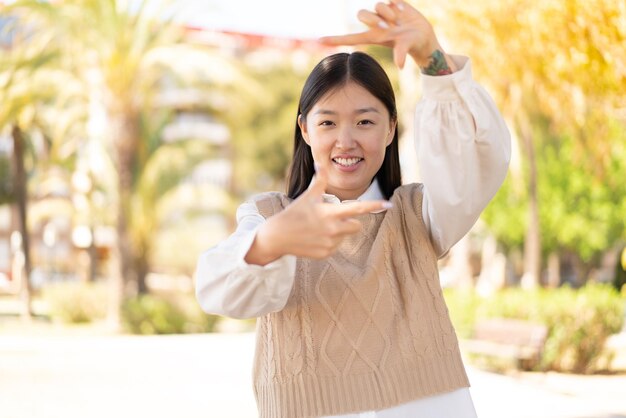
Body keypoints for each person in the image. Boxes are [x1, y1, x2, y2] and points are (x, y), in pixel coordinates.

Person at [195, 1, 511, 417]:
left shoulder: (420, 215)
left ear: (391, 128)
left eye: (365, 121)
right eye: (327, 123)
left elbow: (477, 162)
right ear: (304, 129)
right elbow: (219, 289)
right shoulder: (267, 217)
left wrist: (433, 59)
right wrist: (272, 241)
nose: (346, 140)